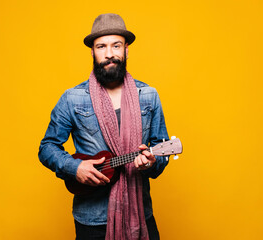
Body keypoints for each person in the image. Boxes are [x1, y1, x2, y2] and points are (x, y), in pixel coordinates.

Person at [38, 13, 169, 240]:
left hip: (140, 215)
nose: (109, 54)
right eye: (102, 47)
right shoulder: (73, 98)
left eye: (116, 45)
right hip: (92, 220)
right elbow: (47, 147)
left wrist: (151, 163)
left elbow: (161, 151)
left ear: (126, 49)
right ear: (92, 52)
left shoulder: (148, 95)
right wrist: (73, 167)